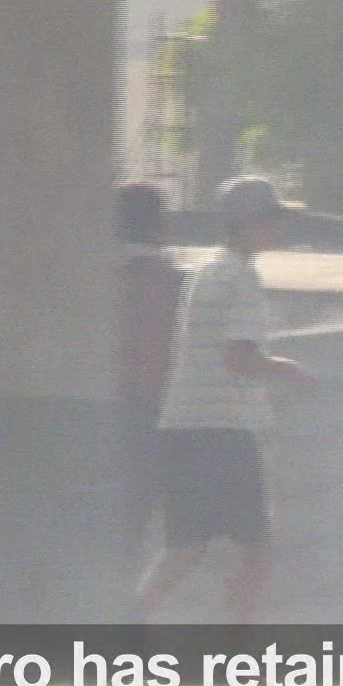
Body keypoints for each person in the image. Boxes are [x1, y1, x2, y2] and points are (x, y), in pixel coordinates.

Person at [136, 176, 316, 623]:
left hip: (182, 425)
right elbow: (239, 358)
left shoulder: (207, 271)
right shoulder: (241, 279)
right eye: (272, 219)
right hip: (224, 429)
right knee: (256, 546)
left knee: (185, 546)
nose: (279, 227)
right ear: (247, 224)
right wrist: (290, 370)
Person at [116, 183, 186, 564]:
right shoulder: (174, 283)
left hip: (100, 407)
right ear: (161, 228)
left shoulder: (103, 279)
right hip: (155, 407)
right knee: (139, 517)